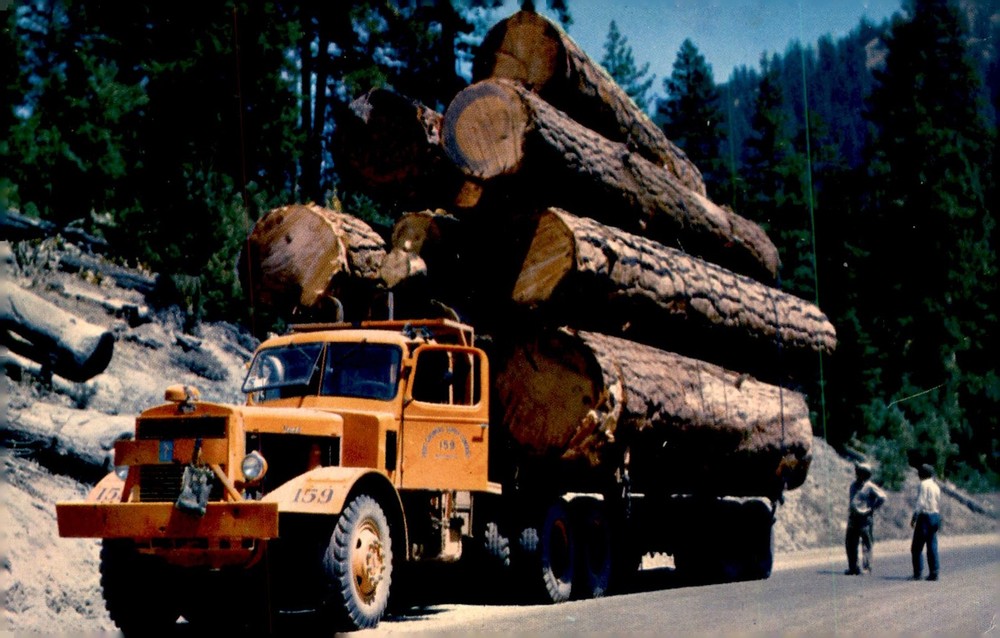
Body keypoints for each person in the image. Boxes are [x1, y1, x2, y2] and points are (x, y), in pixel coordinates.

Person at [844, 462, 887, 575]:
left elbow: (882, 497)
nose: (857, 474)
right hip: (853, 518)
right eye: (857, 472)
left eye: (860, 472)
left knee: (866, 543)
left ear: (866, 474)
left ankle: (867, 567)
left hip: (864, 518)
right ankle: (853, 567)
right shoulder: (853, 485)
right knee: (850, 543)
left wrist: (873, 507)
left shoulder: (870, 487)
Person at [911, 463, 942, 581]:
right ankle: (934, 572)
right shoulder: (936, 486)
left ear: (922, 474)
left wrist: (914, 517)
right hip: (935, 515)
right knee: (932, 545)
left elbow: (921, 502)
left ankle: (918, 573)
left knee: (917, 547)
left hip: (924, 516)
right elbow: (938, 502)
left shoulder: (923, 484)